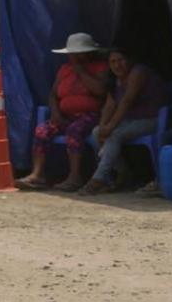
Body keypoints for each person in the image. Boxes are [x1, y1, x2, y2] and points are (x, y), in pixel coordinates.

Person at [17, 33, 109, 191]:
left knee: (75, 131)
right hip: (65, 116)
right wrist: (56, 113)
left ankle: (75, 177)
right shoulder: (64, 69)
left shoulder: (100, 67)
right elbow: (53, 95)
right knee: (42, 131)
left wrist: (81, 70)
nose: (74, 57)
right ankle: (37, 175)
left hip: (90, 115)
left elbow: (101, 91)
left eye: (79, 54)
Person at [79, 48, 165, 195]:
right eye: (113, 62)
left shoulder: (138, 72)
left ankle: (98, 180)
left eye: (121, 60)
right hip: (129, 122)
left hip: (151, 120)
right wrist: (103, 126)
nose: (117, 65)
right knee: (95, 132)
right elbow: (109, 105)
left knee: (115, 134)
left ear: (130, 60)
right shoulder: (115, 79)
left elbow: (126, 101)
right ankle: (122, 173)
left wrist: (110, 127)